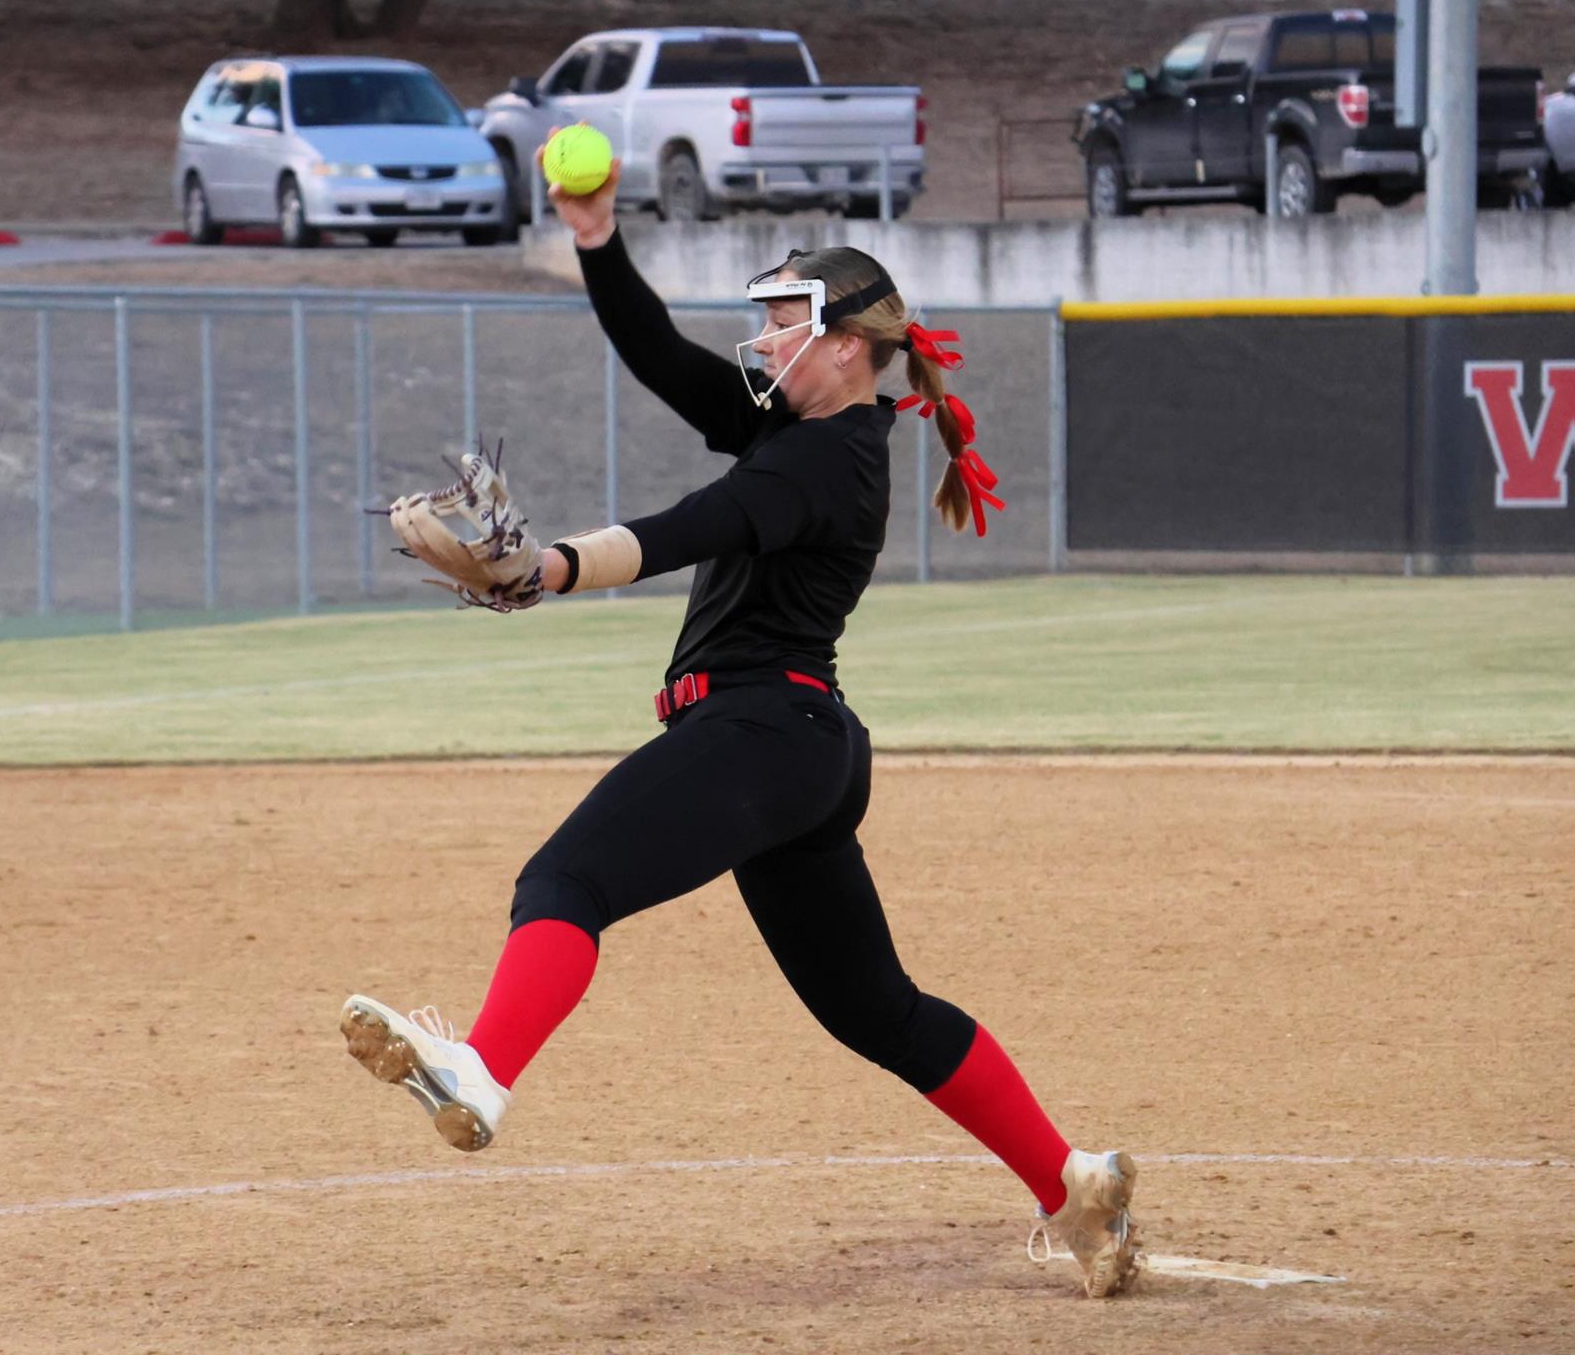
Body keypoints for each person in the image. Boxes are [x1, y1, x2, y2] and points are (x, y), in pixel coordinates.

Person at [341, 134, 1141, 1298]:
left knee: (564, 883)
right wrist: (597, 238)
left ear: (853, 348)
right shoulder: (794, 432)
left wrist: (547, 568)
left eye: (786, 322)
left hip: (761, 734)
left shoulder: (829, 463)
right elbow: (659, 353)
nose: (762, 338)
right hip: (796, 751)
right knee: (878, 1010)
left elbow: (683, 531)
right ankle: (1073, 1187)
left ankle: (482, 1073)